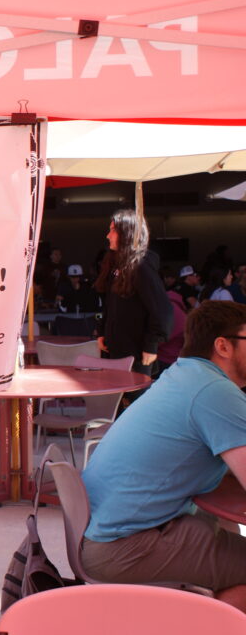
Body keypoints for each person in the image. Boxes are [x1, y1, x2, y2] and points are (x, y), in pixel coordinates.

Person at [81, 301, 246, 613]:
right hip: (125, 546)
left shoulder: (184, 375)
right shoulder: (214, 391)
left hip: (111, 530)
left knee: (227, 530)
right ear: (223, 346)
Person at [93, 210, 172, 380]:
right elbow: (110, 304)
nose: (108, 236)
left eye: (113, 230)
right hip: (114, 349)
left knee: (134, 403)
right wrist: (102, 332)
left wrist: (151, 346)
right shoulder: (116, 265)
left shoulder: (141, 266)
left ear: (127, 233)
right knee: (117, 403)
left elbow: (161, 310)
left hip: (136, 354)